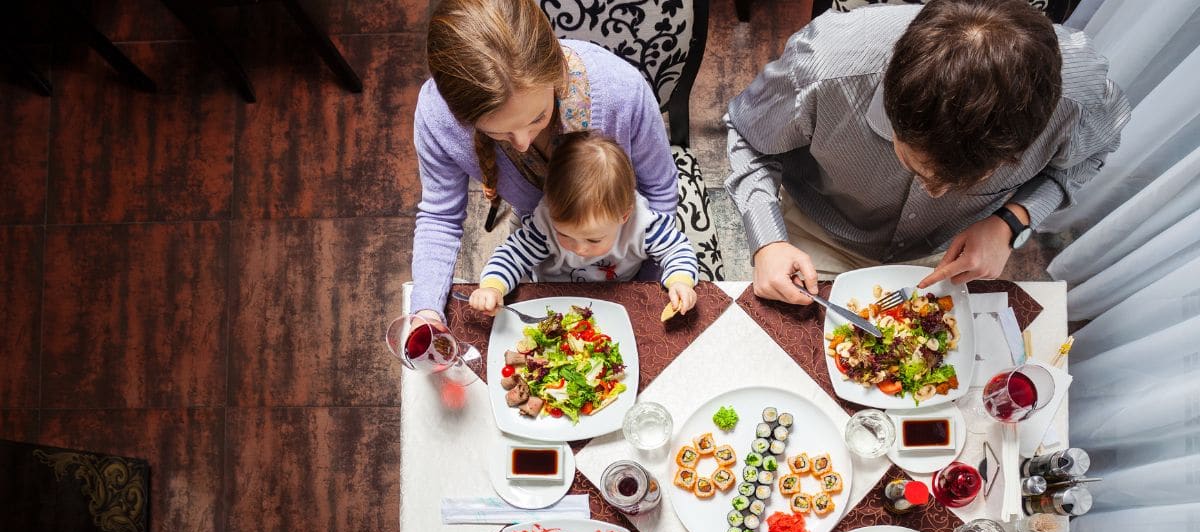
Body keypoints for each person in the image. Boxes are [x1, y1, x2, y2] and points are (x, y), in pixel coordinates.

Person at [726, 0, 1130, 306]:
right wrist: (768, 242)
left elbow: (1087, 159)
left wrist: (1011, 221)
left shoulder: (1081, 99)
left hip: (950, 254)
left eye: (970, 182)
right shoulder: (824, 67)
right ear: (892, 106)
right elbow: (748, 136)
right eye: (914, 164)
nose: (935, 192)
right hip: (818, 233)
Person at [410, 0, 678, 322]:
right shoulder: (438, 119)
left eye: (538, 118)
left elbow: (659, 191)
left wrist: (643, 293)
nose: (523, 144)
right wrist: (426, 311)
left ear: (556, 73)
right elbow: (440, 219)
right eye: (499, 133)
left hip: (626, 250)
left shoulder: (622, 90)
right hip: (542, 242)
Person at [469, 131, 698, 317]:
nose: (579, 249)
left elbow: (677, 249)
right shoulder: (546, 223)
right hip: (555, 299)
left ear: (624, 216)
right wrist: (492, 286)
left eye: (594, 239)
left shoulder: (642, 225)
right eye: (564, 234)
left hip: (617, 297)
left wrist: (680, 281)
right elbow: (512, 255)